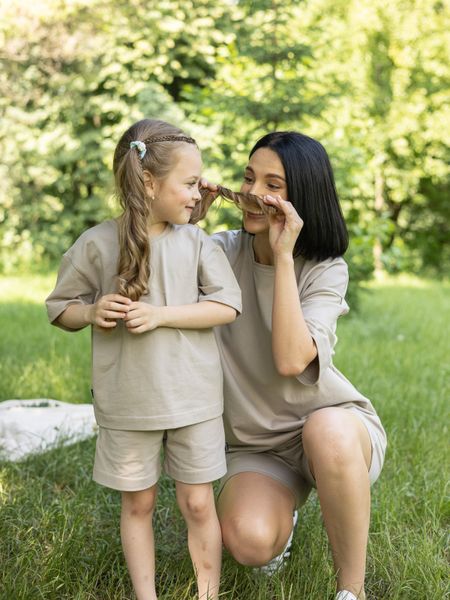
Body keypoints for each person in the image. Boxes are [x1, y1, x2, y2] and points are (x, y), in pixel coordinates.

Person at [46, 118, 242, 600]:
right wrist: (91, 311)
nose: (199, 194)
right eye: (191, 183)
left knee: (199, 503)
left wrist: (160, 315)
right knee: (139, 502)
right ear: (149, 182)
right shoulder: (97, 243)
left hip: (193, 400)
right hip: (129, 404)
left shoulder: (196, 242)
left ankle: (207, 594)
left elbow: (226, 305)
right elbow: (59, 309)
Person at [198, 131, 387, 600]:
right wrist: (184, 226)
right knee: (249, 542)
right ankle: (286, 512)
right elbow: (147, 280)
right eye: (248, 177)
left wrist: (282, 258)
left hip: (331, 429)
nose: (253, 193)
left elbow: (290, 360)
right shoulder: (217, 252)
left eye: (273, 184)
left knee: (327, 430)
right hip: (256, 446)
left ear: (300, 198)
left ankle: (352, 590)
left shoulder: (325, 268)